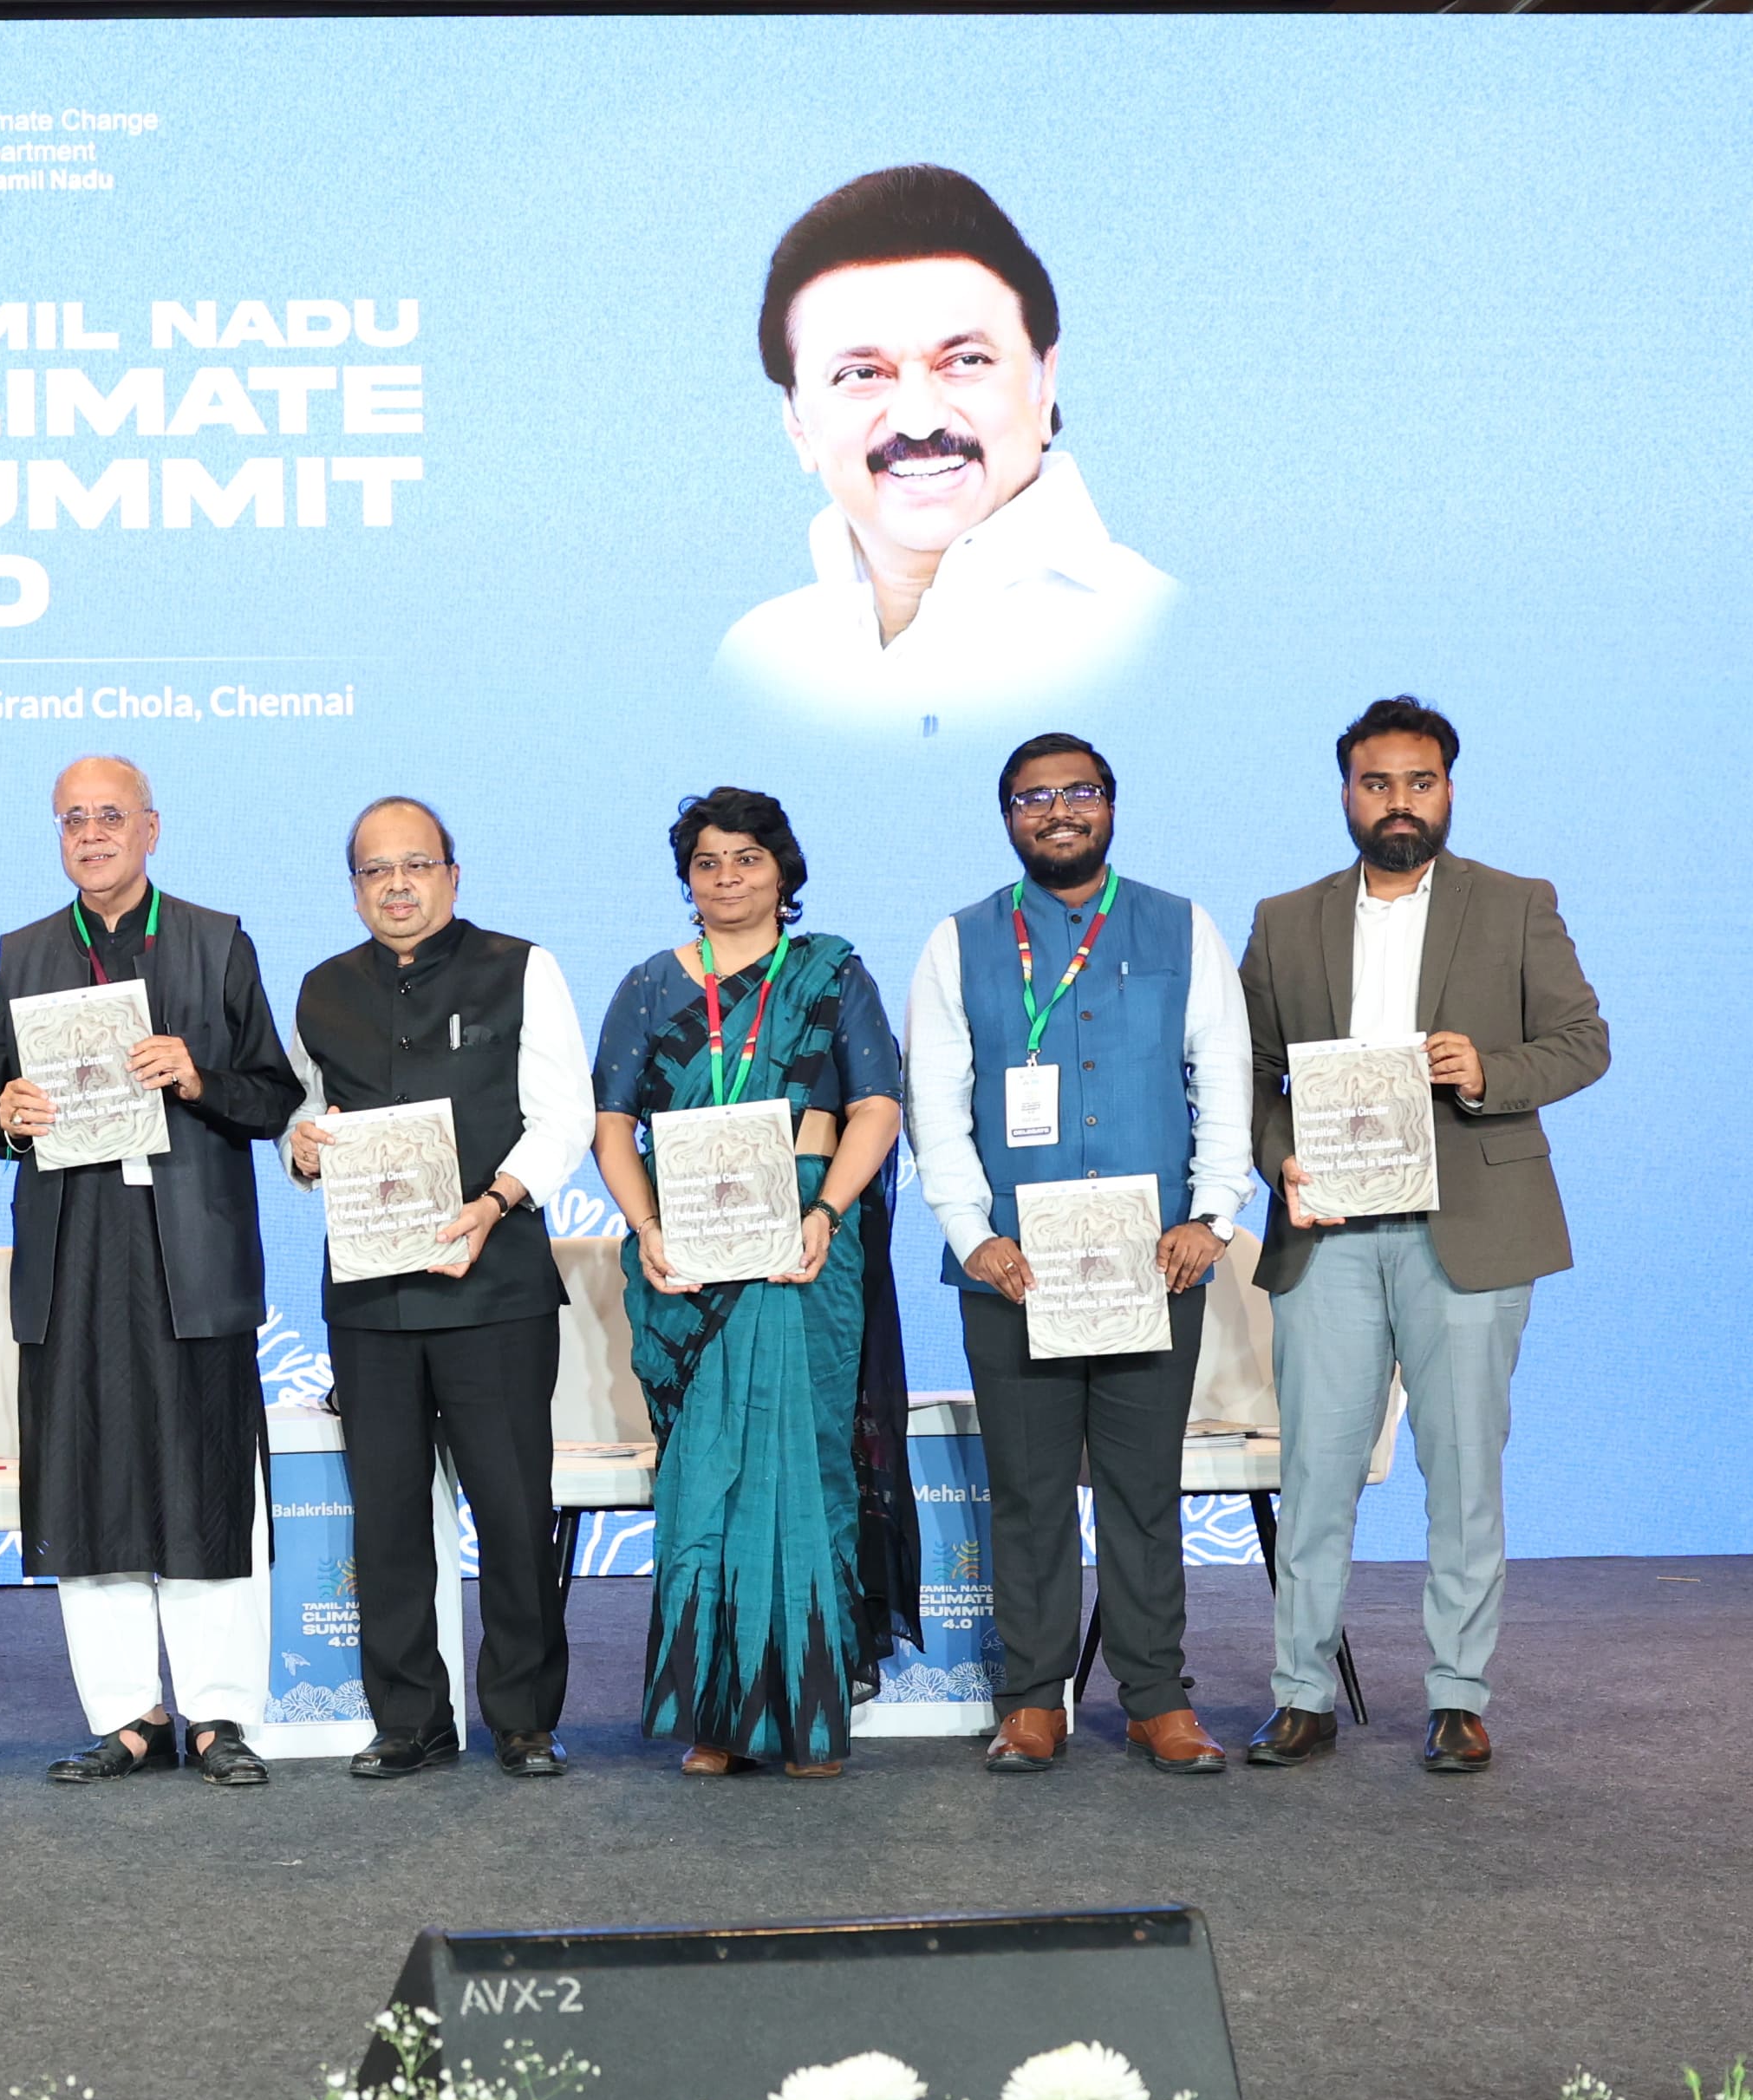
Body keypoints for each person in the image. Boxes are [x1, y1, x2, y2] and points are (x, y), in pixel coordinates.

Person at [1237, 698, 1606, 1774]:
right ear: (1346, 793)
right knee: (1315, 1473)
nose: (1399, 801)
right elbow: (1253, 1071)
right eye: (1377, 783)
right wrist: (1280, 1160)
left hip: (1473, 1228)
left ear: (1448, 788)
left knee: (1464, 1472)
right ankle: (1301, 1694)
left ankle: (1458, 1697)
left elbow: (1583, 1041)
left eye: (1420, 781)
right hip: (1330, 1231)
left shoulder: (1517, 903)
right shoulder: (1285, 918)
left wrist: (1490, 1071)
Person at [903, 733, 1252, 1774]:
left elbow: (1223, 1074)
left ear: (1111, 803)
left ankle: (1156, 1698)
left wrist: (1213, 1215)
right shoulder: (957, 942)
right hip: (1014, 1270)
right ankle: (1032, 1698)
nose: (1059, 810)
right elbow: (935, 1104)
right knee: (1028, 1491)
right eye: (1034, 797)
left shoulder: (1182, 926)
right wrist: (973, 1235)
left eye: (1080, 791)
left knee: (1145, 1490)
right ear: (1007, 816)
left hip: (1157, 1262)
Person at [0, 755, 306, 1787]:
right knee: (87, 1481)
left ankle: (218, 1715)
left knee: (206, 1475)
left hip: (190, 1255)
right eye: (72, 818)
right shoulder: (25, 951)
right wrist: (8, 1117)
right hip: (73, 1254)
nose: (91, 833)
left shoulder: (216, 939)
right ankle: (127, 1716)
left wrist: (197, 1076)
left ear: (151, 829)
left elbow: (273, 1097)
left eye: (110, 815)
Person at [590, 788, 917, 1778]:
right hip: (688, 1252)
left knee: (804, 1468)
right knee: (706, 1478)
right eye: (707, 861)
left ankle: (810, 1713)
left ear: (783, 872)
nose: (727, 877)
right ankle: (719, 1718)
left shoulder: (832, 974)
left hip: (803, 1247)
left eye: (747, 858)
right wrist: (646, 1227)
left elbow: (877, 1105)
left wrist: (827, 1213)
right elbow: (611, 1124)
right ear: (686, 880)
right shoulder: (650, 985)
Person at [285, 797, 595, 1779]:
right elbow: (308, 1119)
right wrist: (301, 1151)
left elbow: (565, 1117)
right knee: (385, 1520)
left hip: (493, 1286)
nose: (397, 886)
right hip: (369, 1298)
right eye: (376, 871)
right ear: (355, 889)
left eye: (416, 865)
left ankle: (524, 1718)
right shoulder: (322, 988)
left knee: (512, 1511)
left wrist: (495, 1201)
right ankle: (410, 1719)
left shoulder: (522, 967)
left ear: (452, 876)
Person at [714, 165, 1176, 721]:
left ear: (1045, 384)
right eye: (862, 374)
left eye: (966, 361)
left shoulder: (1158, 637)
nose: (918, 420)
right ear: (795, 419)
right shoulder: (757, 664)